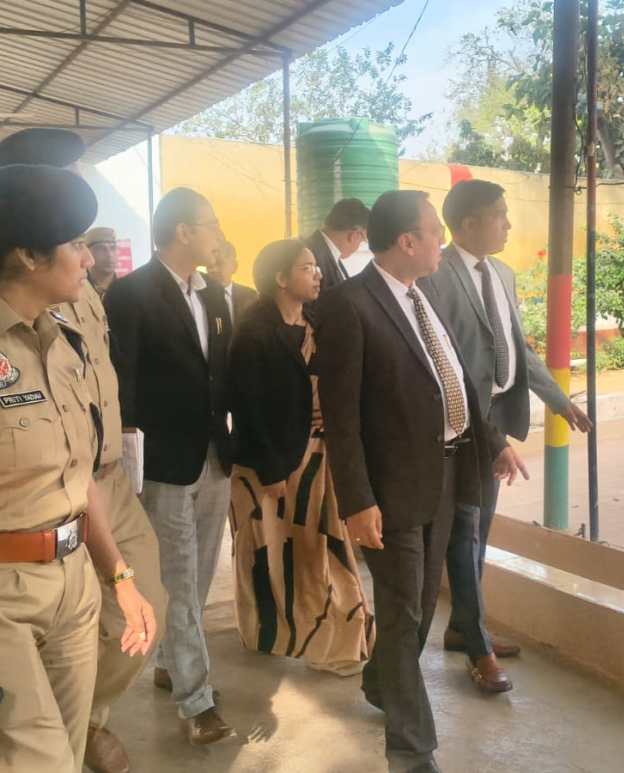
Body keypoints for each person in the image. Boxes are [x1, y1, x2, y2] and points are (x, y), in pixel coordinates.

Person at [315, 190, 517, 773]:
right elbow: (342, 417)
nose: (441, 242)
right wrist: (357, 500)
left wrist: (494, 443)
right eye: (434, 232)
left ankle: (380, 681)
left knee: (422, 608)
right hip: (391, 488)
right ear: (407, 242)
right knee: (404, 614)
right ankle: (411, 749)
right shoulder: (348, 307)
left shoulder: (421, 296)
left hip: (446, 477)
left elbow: (455, 380)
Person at [0, 127, 168, 773]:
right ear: (27, 251)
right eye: (74, 242)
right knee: (39, 753)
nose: (90, 258)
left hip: (82, 522)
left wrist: (118, 577)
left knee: (63, 749)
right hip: (13, 569)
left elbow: (81, 456)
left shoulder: (60, 333)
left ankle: (81, 723)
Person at [420, 179, 593, 676]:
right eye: (499, 214)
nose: (508, 224)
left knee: (479, 529)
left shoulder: (502, 274)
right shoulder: (435, 277)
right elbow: (445, 364)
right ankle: (478, 649)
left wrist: (558, 399)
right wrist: (489, 438)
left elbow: (517, 347)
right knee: (465, 530)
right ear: (468, 222)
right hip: (460, 424)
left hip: (497, 416)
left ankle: (464, 627)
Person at [103, 187, 234, 745]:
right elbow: (122, 385)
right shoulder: (131, 294)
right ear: (184, 231)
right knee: (177, 580)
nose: (217, 235)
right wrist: (126, 471)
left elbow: (222, 378)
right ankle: (196, 701)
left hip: (214, 457)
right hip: (162, 463)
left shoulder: (215, 296)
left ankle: (172, 664)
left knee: (198, 577)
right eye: (211, 224)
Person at [227, 239, 374, 675]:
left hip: (319, 457)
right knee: (269, 558)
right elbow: (248, 409)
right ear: (280, 278)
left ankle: (337, 641)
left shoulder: (316, 322)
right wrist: (272, 471)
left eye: (316, 266)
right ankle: (269, 633)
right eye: (306, 267)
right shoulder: (253, 333)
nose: (318, 274)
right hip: (270, 467)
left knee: (322, 554)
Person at [305, 197, 370, 292]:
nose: (358, 246)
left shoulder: (328, 253)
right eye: (362, 240)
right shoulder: (309, 256)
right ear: (354, 235)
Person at [207, 240, 257, 326]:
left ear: (234, 266)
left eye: (219, 264)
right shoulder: (200, 296)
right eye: (209, 266)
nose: (213, 270)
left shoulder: (250, 297)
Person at [85, 227, 120, 298]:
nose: (109, 255)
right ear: (87, 252)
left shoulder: (126, 289)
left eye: (113, 248)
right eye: (101, 249)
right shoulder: (76, 289)